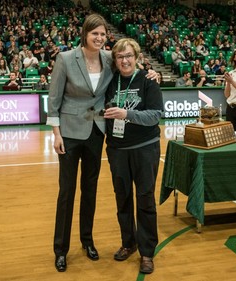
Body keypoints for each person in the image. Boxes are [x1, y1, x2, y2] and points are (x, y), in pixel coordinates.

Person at [46, 13, 158, 273]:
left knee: (90, 190)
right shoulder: (65, 59)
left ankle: (87, 241)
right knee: (67, 192)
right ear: (84, 33)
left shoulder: (109, 58)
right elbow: (53, 99)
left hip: (97, 132)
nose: (99, 38)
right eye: (94, 33)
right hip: (71, 133)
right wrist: (56, 132)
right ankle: (60, 249)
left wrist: (151, 73)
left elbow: (131, 62)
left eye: (102, 34)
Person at [103, 38, 163, 275]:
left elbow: (154, 116)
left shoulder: (148, 81)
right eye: (120, 57)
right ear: (115, 60)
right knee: (123, 198)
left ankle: (147, 252)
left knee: (146, 199)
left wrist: (126, 113)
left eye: (128, 56)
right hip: (117, 150)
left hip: (145, 148)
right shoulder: (110, 81)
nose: (124, 60)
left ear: (136, 57)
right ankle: (129, 242)